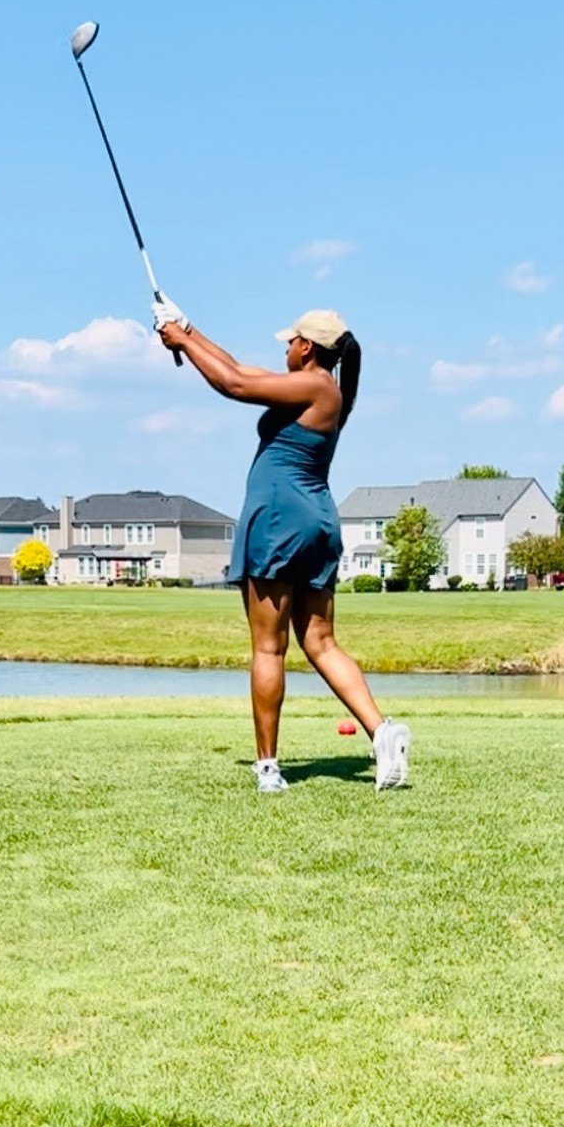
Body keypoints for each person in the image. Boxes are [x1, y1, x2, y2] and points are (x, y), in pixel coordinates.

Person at [154, 296, 410, 794]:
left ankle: (268, 768)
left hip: (278, 519)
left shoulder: (313, 386)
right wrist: (187, 326)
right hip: (315, 520)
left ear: (307, 347)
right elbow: (237, 368)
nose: (285, 350)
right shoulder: (324, 388)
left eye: (290, 342)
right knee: (320, 642)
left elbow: (234, 383)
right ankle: (382, 731)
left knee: (269, 648)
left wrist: (182, 341)